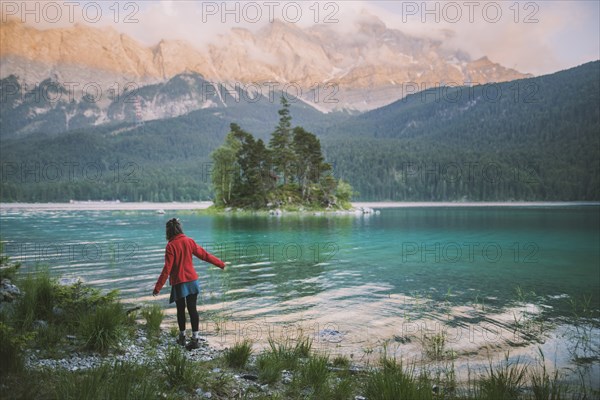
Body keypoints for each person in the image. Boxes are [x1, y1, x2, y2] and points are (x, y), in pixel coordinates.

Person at [152, 218, 226, 350]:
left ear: (168, 231)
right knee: (193, 309)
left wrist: (158, 288)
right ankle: (195, 339)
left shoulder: (170, 246)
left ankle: (182, 337)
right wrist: (220, 264)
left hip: (179, 282)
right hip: (192, 281)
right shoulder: (189, 241)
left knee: (181, 310)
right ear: (180, 228)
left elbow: (167, 269)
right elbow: (204, 255)